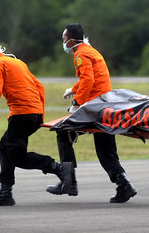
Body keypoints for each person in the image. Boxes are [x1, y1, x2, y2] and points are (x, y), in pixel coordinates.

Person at [0, 37, 74, 206]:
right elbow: (39, 86)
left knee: (17, 156)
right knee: (4, 147)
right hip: (32, 113)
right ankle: (5, 193)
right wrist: (39, 114)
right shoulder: (16, 62)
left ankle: (58, 168)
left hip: (21, 114)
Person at [45, 23, 137, 203]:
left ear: (71, 41)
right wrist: (73, 88)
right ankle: (124, 184)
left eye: (64, 39)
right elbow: (90, 78)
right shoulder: (91, 51)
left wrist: (76, 104)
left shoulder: (81, 54)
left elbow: (88, 79)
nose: (63, 43)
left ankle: (68, 181)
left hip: (95, 107)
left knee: (63, 131)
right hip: (106, 105)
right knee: (105, 150)